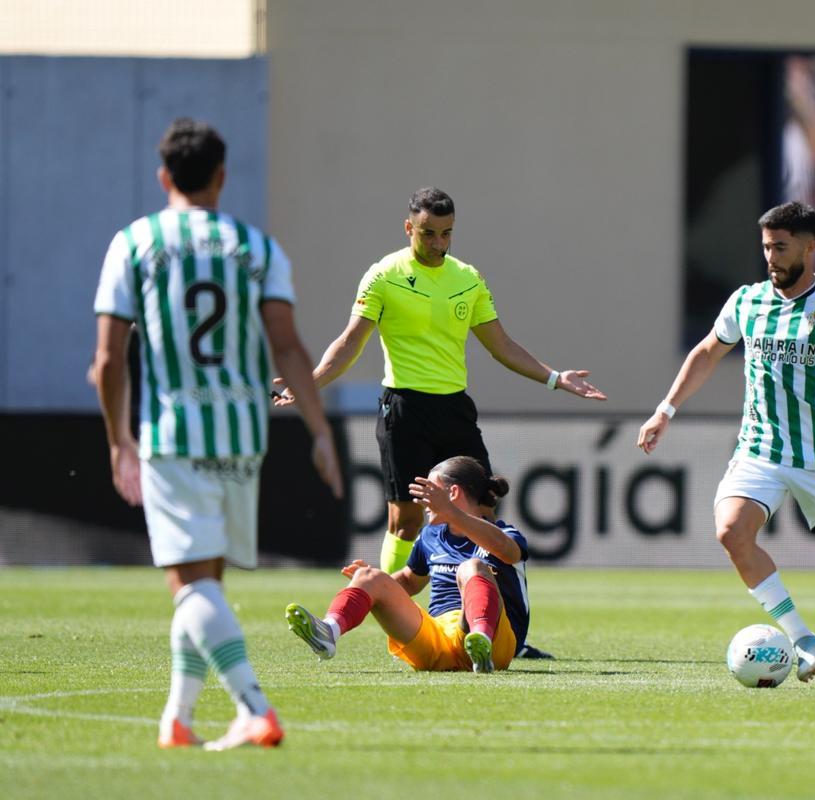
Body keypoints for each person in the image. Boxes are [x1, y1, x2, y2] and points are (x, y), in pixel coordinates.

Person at [93, 118, 345, 750]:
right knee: (205, 581)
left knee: (191, 584)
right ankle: (178, 719)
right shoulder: (256, 248)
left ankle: (254, 707)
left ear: (164, 177)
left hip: (174, 433)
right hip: (241, 435)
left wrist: (119, 439)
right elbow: (288, 346)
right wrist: (319, 431)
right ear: (222, 177)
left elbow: (109, 359)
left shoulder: (136, 242)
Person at [274, 187, 602, 658]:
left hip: (454, 410)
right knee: (406, 521)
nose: (438, 243)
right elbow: (350, 342)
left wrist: (555, 378)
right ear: (409, 227)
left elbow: (501, 345)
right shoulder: (384, 275)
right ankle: (396, 617)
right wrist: (310, 382)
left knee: (483, 513)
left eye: (446, 234)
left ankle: (504, 631)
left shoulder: (467, 278)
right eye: (428, 233)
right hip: (403, 408)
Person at [637, 201, 815, 687]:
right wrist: (665, 410)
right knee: (731, 532)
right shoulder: (747, 302)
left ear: (810, 247)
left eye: (781, 247)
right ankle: (802, 637)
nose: (771, 257)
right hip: (759, 451)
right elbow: (707, 352)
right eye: (766, 247)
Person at [285, 456, 530, 673]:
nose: (422, 502)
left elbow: (506, 550)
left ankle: (480, 641)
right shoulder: (430, 536)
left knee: (472, 567)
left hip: (495, 642)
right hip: (438, 639)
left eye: (430, 490)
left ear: (453, 493)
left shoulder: (504, 534)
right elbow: (409, 581)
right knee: (370, 576)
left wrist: (451, 512)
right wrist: (368, 584)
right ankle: (328, 632)